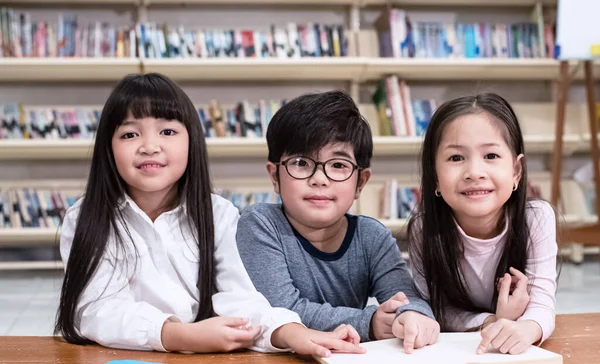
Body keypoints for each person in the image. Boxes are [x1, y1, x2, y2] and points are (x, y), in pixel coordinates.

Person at [54, 73, 365, 358]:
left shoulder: (219, 214)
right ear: (108, 148)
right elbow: (95, 311)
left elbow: (241, 297)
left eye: (167, 131)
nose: (149, 146)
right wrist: (178, 335)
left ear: (192, 141)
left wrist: (291, 333)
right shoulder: (85, 218)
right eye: (130, 134)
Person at [236, 90, 439, 354]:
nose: (319, 178)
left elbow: (406, 297)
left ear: (361, 182)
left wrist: (412, 315)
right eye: (300, 162)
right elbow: (284, 311)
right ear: (275, 176)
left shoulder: (371, 236)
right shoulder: (261, 224)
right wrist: (371, 322)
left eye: (338, 165)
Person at [407, 93, 558, 355]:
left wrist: (526, 328)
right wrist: (495, 321)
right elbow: (434, 308)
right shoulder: (424, 230)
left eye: (490, 155)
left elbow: (542, 302)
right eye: (456, 158)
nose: (474, 172)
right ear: (434, 178)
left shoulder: (536, 218)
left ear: (516, 171)